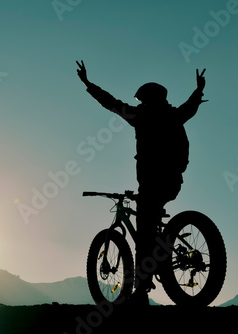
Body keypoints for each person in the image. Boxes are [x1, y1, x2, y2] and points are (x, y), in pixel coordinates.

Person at [76, 60, 207, 306]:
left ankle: (141, 291)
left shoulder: (141, 116)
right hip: (173, 182)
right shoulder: (174, 116)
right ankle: (163, 253)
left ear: (146, 99)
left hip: (151, 182)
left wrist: (87, 84)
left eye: (141, 99)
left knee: (145, 234)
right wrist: (199, 90)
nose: (139, 103)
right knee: (151, 219)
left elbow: (111, 103)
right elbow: (190, 107)